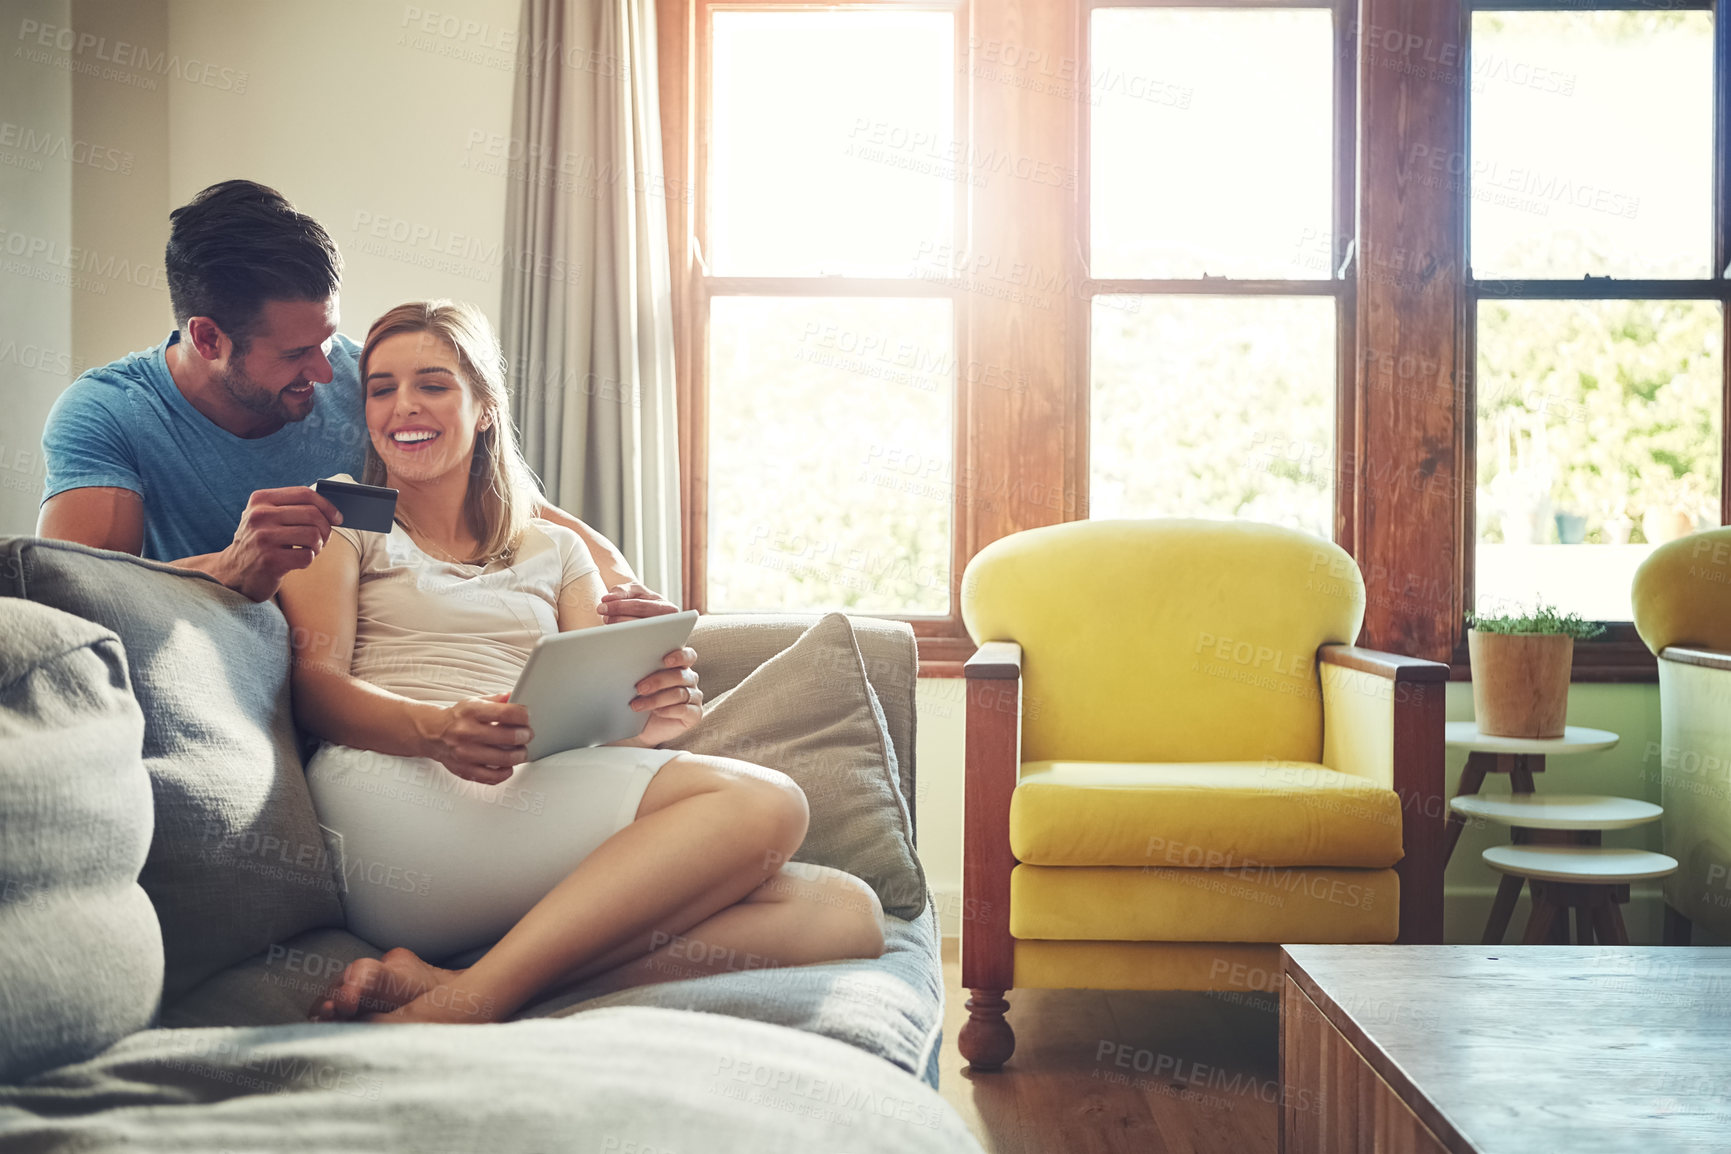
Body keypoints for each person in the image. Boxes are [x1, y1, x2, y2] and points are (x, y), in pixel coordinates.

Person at [279, 299, 884, 1023]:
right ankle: (467, 1008)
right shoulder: (349, 511)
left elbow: (591, 722)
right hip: (393, 799)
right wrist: (436, 729)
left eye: (434, 384)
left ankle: (458, 982)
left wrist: (652, 717)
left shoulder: (550, 547)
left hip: (523, 800)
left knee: (843, 913)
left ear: (483, 409)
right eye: (382, 388)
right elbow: (314, 687)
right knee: (768, 802)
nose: (403, 406)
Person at [36, 179, 667, 619]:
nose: (328, 370)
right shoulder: (110, 413)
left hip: (378, 652)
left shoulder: (368, 383)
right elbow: (73, 594)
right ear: (207, 337)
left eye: (329, 339)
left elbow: (501, 499)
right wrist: (228, 568)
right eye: (293, 355)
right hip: (222, 652)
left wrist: (619, 585)